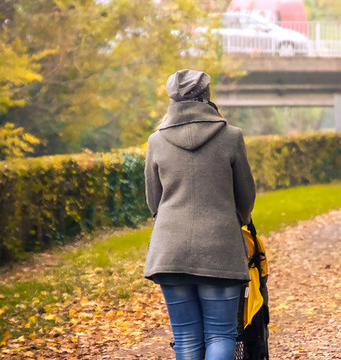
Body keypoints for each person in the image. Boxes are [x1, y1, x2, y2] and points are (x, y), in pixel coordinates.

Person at [143, 69, 256, 360]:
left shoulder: (156, 141)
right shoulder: (231, 137)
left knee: (185, 337)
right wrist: (236, 221)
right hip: (220, 248)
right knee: (220, 334)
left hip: (169, 250)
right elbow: (245, 197)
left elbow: (153, 202)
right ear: (206, 96)